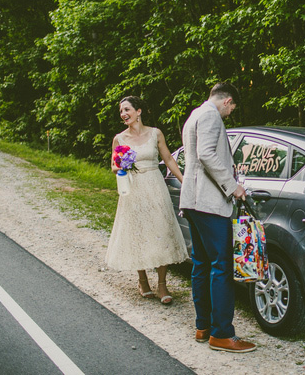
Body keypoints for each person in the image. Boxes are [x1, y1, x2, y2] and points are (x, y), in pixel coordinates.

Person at [180, 82, 257, 353]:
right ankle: (222, 334)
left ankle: (204, 327)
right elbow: (206, 154)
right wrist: (232, 185)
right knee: (221, 266)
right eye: (232, 108)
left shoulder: (195, 114)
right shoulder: (212, 115)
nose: (230, 112)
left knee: (201, 264)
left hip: (192, 199)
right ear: (227, 101)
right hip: (209, 203)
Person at [105, 96, 188, 304]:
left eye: (127, 110)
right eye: (121, 111)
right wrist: (123, 164)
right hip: (133, 189)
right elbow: (114, 166)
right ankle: (142, 280)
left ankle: (162, 285)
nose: (123, 114)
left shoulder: (155, 133)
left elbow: (168, 159)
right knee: (138, 232)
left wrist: (184, 181)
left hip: (155, 186)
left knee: (161, 231)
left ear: (138, 111)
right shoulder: (119, 139)